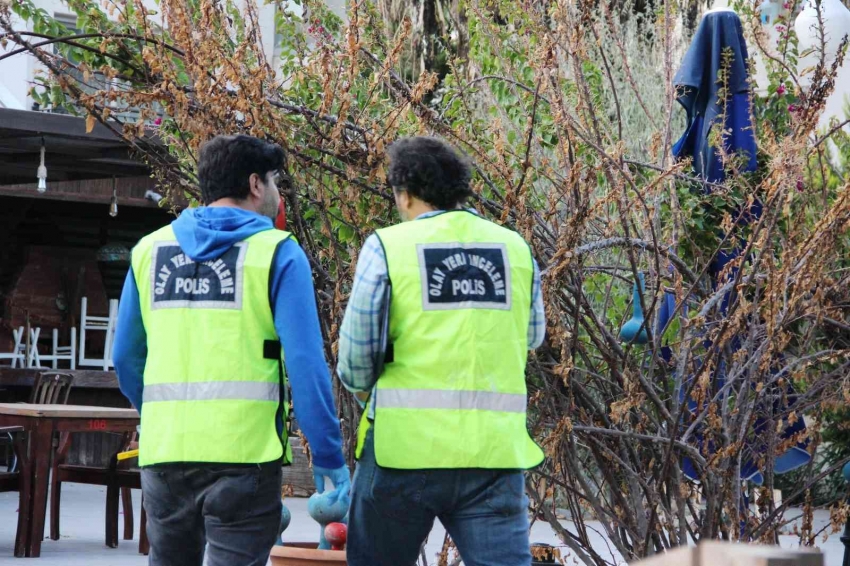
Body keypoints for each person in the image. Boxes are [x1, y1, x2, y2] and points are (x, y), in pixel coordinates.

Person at [112, 134, 350, 566]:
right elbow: (306, 364)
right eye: (275, 181)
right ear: (255, 184)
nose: (278, 194)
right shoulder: (277, 253)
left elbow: (126, 358)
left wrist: (156, 414)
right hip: (245, 458)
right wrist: (329, 455)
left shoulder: (149, 251)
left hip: (166, 454)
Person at [337, 136, 546, 566]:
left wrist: (366, 391)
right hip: (493, 456)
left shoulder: (388, 247)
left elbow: (356, 362)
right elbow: (533, 336)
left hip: (402, 452)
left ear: (406, 193)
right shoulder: (515, 247)